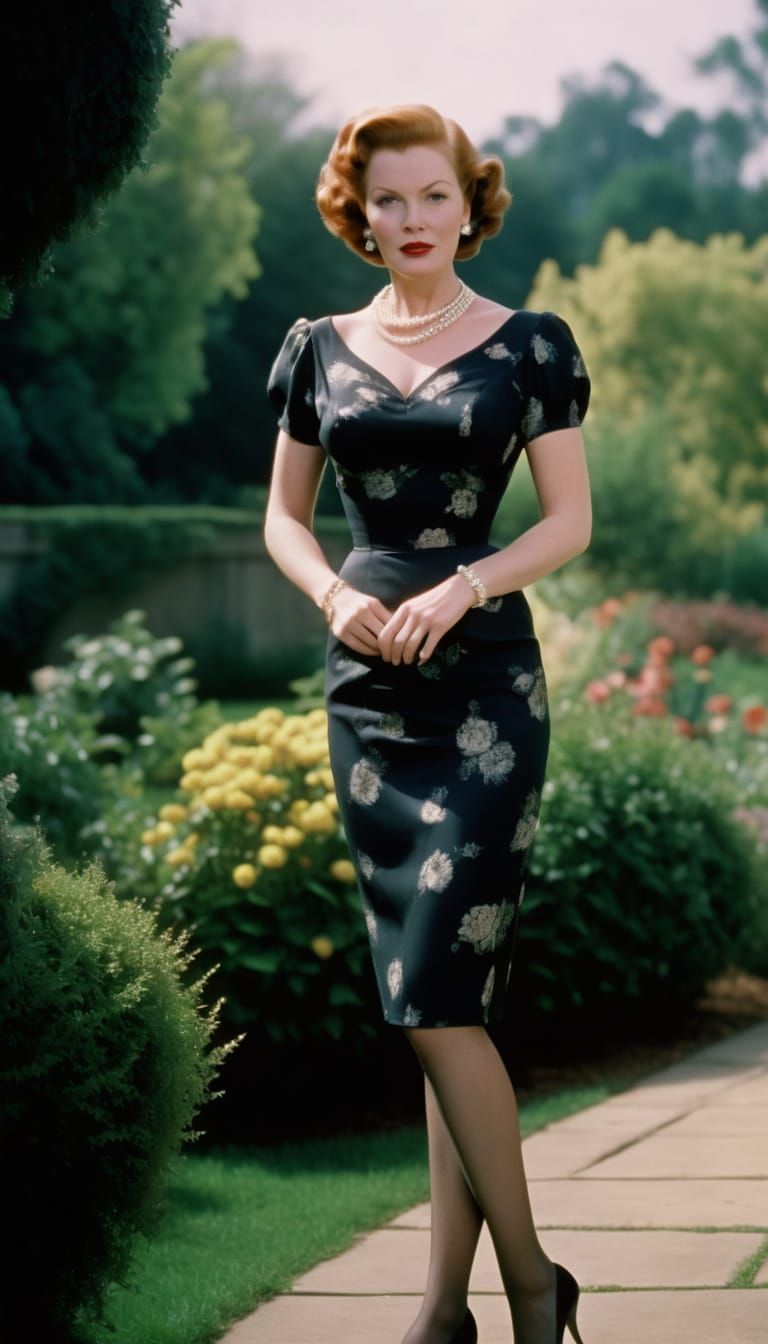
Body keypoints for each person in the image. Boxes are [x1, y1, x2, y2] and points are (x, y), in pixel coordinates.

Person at [264, 103, 591, 1344]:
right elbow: (282, 520)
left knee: (439, 997)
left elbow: (569, 522)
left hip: (488, 695)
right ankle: (445, 1307)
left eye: (432, 196)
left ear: (470, 203)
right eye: (388, 198)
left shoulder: (530, 346)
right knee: (433, 993)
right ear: (360, 212)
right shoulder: (317, 348)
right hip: (370, 698)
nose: (411, 219)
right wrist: (333, 594)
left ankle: (529, 1287)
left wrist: (466, 585)